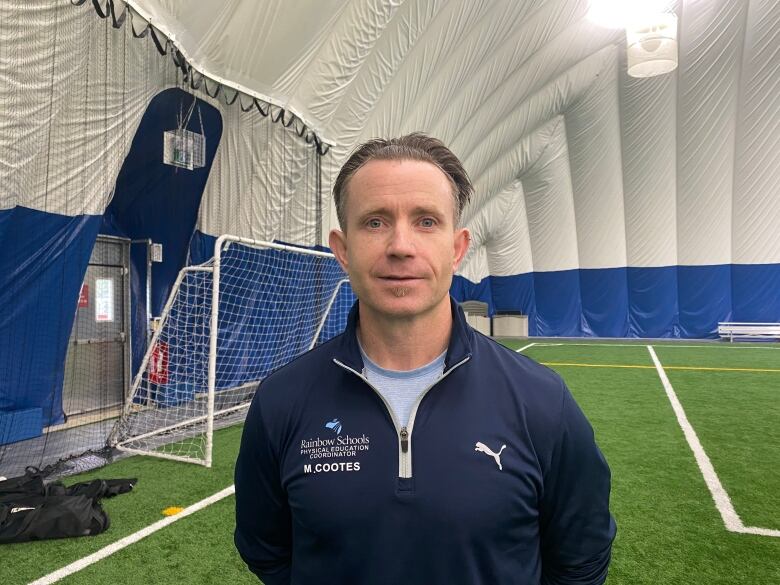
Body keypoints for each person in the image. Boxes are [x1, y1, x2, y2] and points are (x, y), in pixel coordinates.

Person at [234, 133, 616, 585]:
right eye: (375, 222)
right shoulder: (282, 402)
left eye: (426, 222)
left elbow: (581, 558)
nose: (400, 245)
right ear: (342, 249)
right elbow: (267, 550)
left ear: (457, 248)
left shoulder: (542, 401)